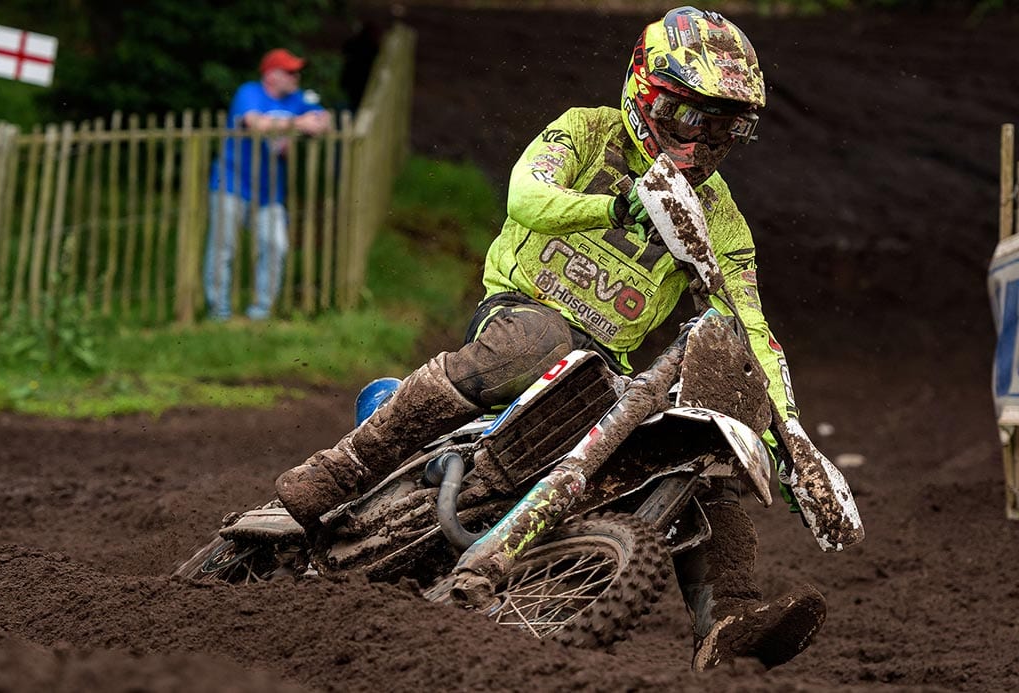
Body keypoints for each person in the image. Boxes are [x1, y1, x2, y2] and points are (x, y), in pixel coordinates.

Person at [277, 8, 830, 670]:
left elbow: (752, 328)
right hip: (520, 316)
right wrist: (616, 207)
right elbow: (525, 195)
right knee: (540, 336)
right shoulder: (586, 132)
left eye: (727, 126)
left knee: (697, 452)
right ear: (647, 94)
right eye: (692, 117)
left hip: (607, 371)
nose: (706, 140)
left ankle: (728, 618)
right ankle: (345, 467)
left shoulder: (720, 217)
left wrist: (793, 439)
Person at [204, 48, 332, 321]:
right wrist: (299, 123)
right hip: (231, 181)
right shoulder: (249, 93)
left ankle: (260, 311)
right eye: (290, 72)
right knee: (223, 248)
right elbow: (254, 123)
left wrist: (316, 122)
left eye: (297, 71)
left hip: (269, 191)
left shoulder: (297, 99)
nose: (296, 76)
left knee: (276, 245)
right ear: (271, 75)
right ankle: (219, 311)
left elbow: (324, 121)